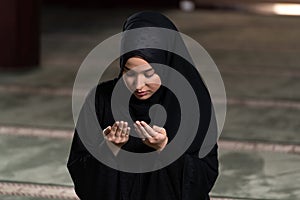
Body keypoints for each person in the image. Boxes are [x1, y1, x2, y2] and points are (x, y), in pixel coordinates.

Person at [67, 11, 219, 200]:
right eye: (129, 73)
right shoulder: (100, 99)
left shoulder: (192, 102)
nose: (138, 86)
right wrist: (109, 148)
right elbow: (79, 172)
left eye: (149, 74)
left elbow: (206, 175)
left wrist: (165, 149)